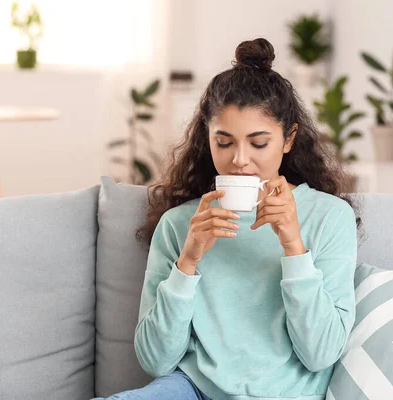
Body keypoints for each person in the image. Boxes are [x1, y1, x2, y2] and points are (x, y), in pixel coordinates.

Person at [95, 37, 361, 400]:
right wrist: (187, 262)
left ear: (288, 139)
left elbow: (321, 354)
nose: (239, 159)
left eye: (258, 142)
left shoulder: (329, 217)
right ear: (207, 140)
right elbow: (156, 361)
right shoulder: (180, 225)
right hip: (190, 389)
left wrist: (293, 248)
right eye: (224, 142)